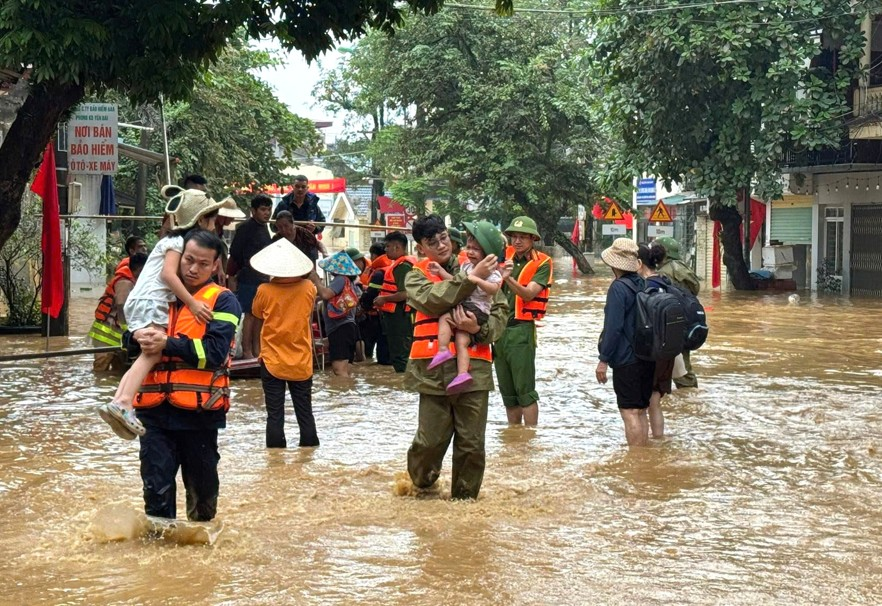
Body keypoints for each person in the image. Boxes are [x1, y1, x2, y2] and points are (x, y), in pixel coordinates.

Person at [97, 189, 233, 440]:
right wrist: (192, 303)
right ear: (202, 220)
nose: (214, 227)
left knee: (147, 351)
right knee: (154, 350)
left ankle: (119, 400)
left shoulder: (170, 241)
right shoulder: (178, 243)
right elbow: (167, 275)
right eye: (213, 221)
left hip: (142, 302)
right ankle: (125, 401)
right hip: (151, 302)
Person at [130, 230, 241, 522]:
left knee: (203, 497)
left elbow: (215, 353)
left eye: (203, 264)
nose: (193, 269)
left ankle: (199, 558)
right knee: (156, 494)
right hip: (153, 413)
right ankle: (159, 562)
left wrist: (167, 343)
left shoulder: (223, 301)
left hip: (200, 415)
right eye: (188, 260)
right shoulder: (159, 293)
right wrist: (136, 336)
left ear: (216, 265)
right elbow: (128, 344)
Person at [404, 214, 508, 500]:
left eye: (443, 238)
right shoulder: (416, 274)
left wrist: (479, 328)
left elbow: (500, 312)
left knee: (472, 444)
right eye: (432, 242)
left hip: (474, 368)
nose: (441, 245)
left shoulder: (480, 262)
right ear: (421, 247)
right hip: (432, 370)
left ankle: (465, 503)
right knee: (429, 443)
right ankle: (422, 488)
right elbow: (433, 299)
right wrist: (470, 277)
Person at [426, 221, 512, 393]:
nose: (470, 251)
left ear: (488, 253)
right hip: (468, 308)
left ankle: (442, 350)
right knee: (462, 341)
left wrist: (477, 278)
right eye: (469, 247)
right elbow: (455, 281)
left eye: (475, 249)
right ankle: (463, 373)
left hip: (477, 310)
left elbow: (494, 288)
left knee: (445, 318)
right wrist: (441, 272)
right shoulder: (466, 266)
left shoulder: (492, 272)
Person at [250, 239, 320, 448]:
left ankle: (275, 460)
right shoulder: (309, 288)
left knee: (274, 414)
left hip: (272, 359)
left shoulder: (264, 290)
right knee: (305, 412)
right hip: (301, 360)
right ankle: (308, 456)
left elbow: (256, 313)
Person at [595, 238, 655, 448]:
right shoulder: (643, 282)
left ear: (614, 264)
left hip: (626, 359)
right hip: (647, 357)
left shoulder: (618, 288)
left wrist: (603, 361)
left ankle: (636, 459)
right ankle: (644, 457)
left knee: (629, 411)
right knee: (641, 410)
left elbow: (614, 328)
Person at [496, 216, 553, 426]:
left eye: (523, 237)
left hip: (521, 330)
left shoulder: (543, 263)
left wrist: (507, 277)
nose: (517, 241)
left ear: (533, 239)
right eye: (514, 237)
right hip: (499, 330)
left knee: (525, 391)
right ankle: (514, 438)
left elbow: (529, 294)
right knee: (508, 393)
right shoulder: (503, 257)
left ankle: (530, 439)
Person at [228, 194, 273, 359]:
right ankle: (246, 349)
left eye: (269, 209)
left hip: (263, 277)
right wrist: (241, 270)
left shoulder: (264, 227)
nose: (267, 213)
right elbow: (235, 252)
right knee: (250, 314)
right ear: (253, 211)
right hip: (248, 276)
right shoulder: (245, 227)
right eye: (263, 209)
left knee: (259, 315)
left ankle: (257, 349)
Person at [637, 242, 673, 440]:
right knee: (656, 401)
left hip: (652, 353)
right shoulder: (666, 282)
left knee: (644, 402)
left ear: (639, 264)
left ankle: (643, 445)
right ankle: (658, 439)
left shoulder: (644, 288)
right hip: (669, 352)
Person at [655, 236, 701, 389]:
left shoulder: (663, 272)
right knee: (681, 362)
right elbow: (696, 288)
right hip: (687, 320)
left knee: (678, 367)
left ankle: (687, 398)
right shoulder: (683, 266)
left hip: (673, 322)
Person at [90, 252, 148, 372]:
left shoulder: (131, 280)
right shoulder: (125, 282)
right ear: (141, 269)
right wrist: (129, 328)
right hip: (106, 334)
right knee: (101, 368)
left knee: (120, 369)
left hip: (116, 333)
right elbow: (122, 305)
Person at [315, 250, 363, 377]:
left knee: (339, 369)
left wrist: (315, 280)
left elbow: (326, 294)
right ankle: (348, 394)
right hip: (349, 327)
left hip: (340, 328)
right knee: (346, 368)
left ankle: (341, 393)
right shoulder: (350, 282)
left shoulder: (340, 279)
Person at [373, 231, 415, 373]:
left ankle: (402, 384)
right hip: (397, 316)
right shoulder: (403, 264)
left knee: (400, 354)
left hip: (400, 317)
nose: (385, 250)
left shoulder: (402, 267)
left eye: (388, 246)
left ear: (397, 247)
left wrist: (384, 299)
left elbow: (405, 293)